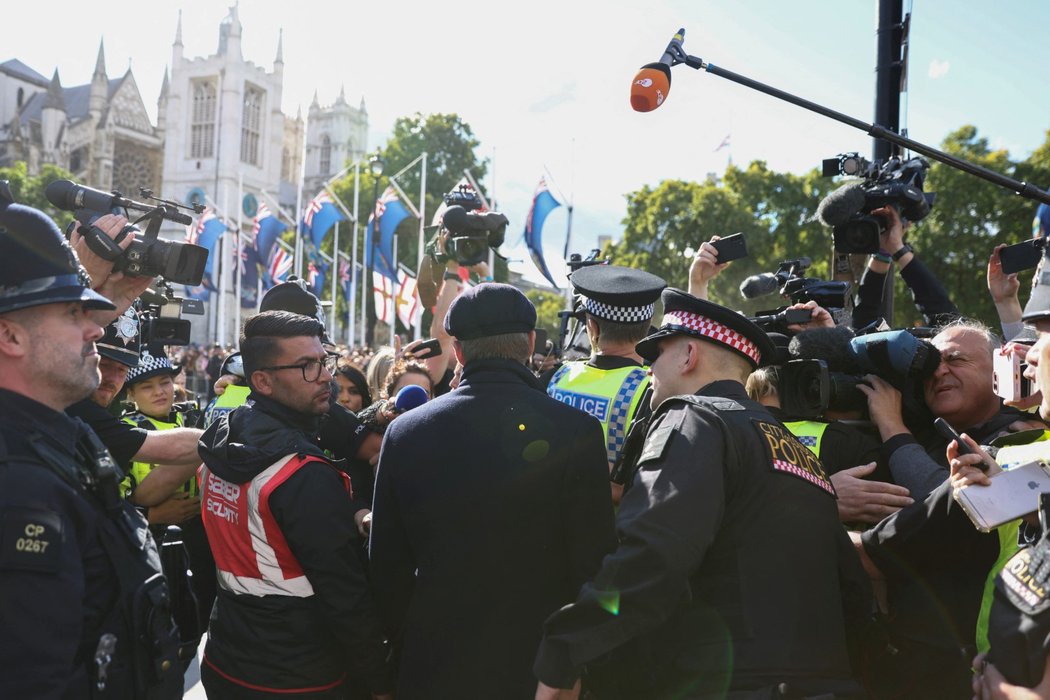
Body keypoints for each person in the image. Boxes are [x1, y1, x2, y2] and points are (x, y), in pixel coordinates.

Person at [534, 289, 871, 700]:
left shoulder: (692, 416)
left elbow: (656, 551)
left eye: (656, 353)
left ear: (689, 355)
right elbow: (852, 589)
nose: (648, 365)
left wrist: (565, 649)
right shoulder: (798, 451)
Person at [369, 283, 616, 698]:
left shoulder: (405, 433)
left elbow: (387, 569)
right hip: (538, 669)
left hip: (435, 662)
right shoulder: (577, 431)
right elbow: (593, 564)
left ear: (460, 352)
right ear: (530, 343)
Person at [0, 193, 182, 698]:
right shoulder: (17, 481)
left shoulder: (61, 432)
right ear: (9, 336)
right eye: (74, 313)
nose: (96, 330)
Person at [198, 310, 394, 698]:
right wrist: (379, 682)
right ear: (262, 381)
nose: (324, 375)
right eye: (306, 366)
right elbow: (345, 596)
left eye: (324, 361)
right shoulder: (301, 474)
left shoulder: (219, 437)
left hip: (226, 660)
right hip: (299, 678)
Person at [546, 265, 665, 499]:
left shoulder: (556, 377)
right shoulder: (654, 389)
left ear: (592, 326)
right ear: (646, 327)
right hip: (610, 530)